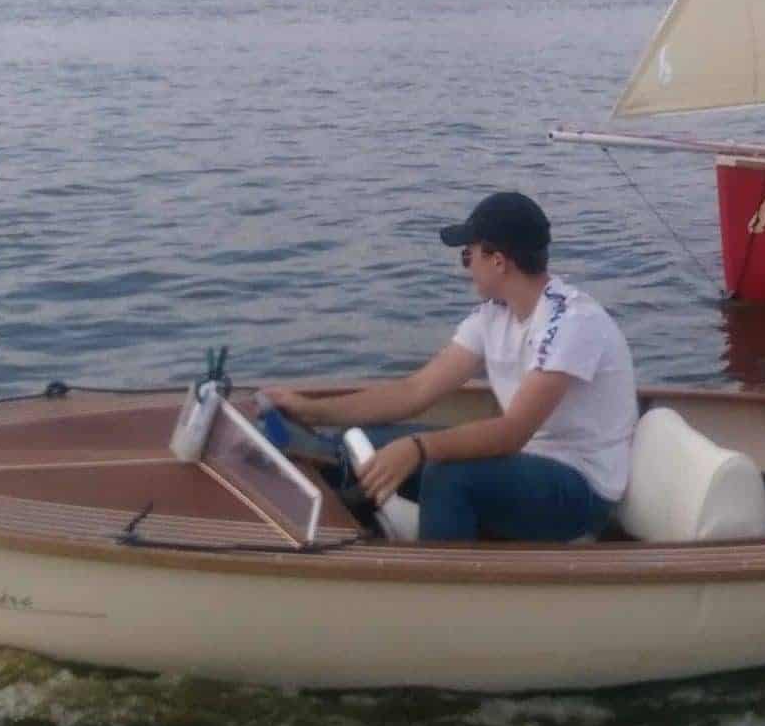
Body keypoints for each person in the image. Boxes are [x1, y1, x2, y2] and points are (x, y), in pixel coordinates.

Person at [260, 193, 636, 543]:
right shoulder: (494, 315)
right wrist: (311, 409)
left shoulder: (572, 323)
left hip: (582, 492)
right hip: (525, 466)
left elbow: (512, 433)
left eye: (467, 255)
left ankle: (434, 589)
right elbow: (414, 392)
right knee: (364, 444)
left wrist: (420, 449)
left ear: (498, 261)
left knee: (447, 472)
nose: (466, 267)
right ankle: (329, 542)